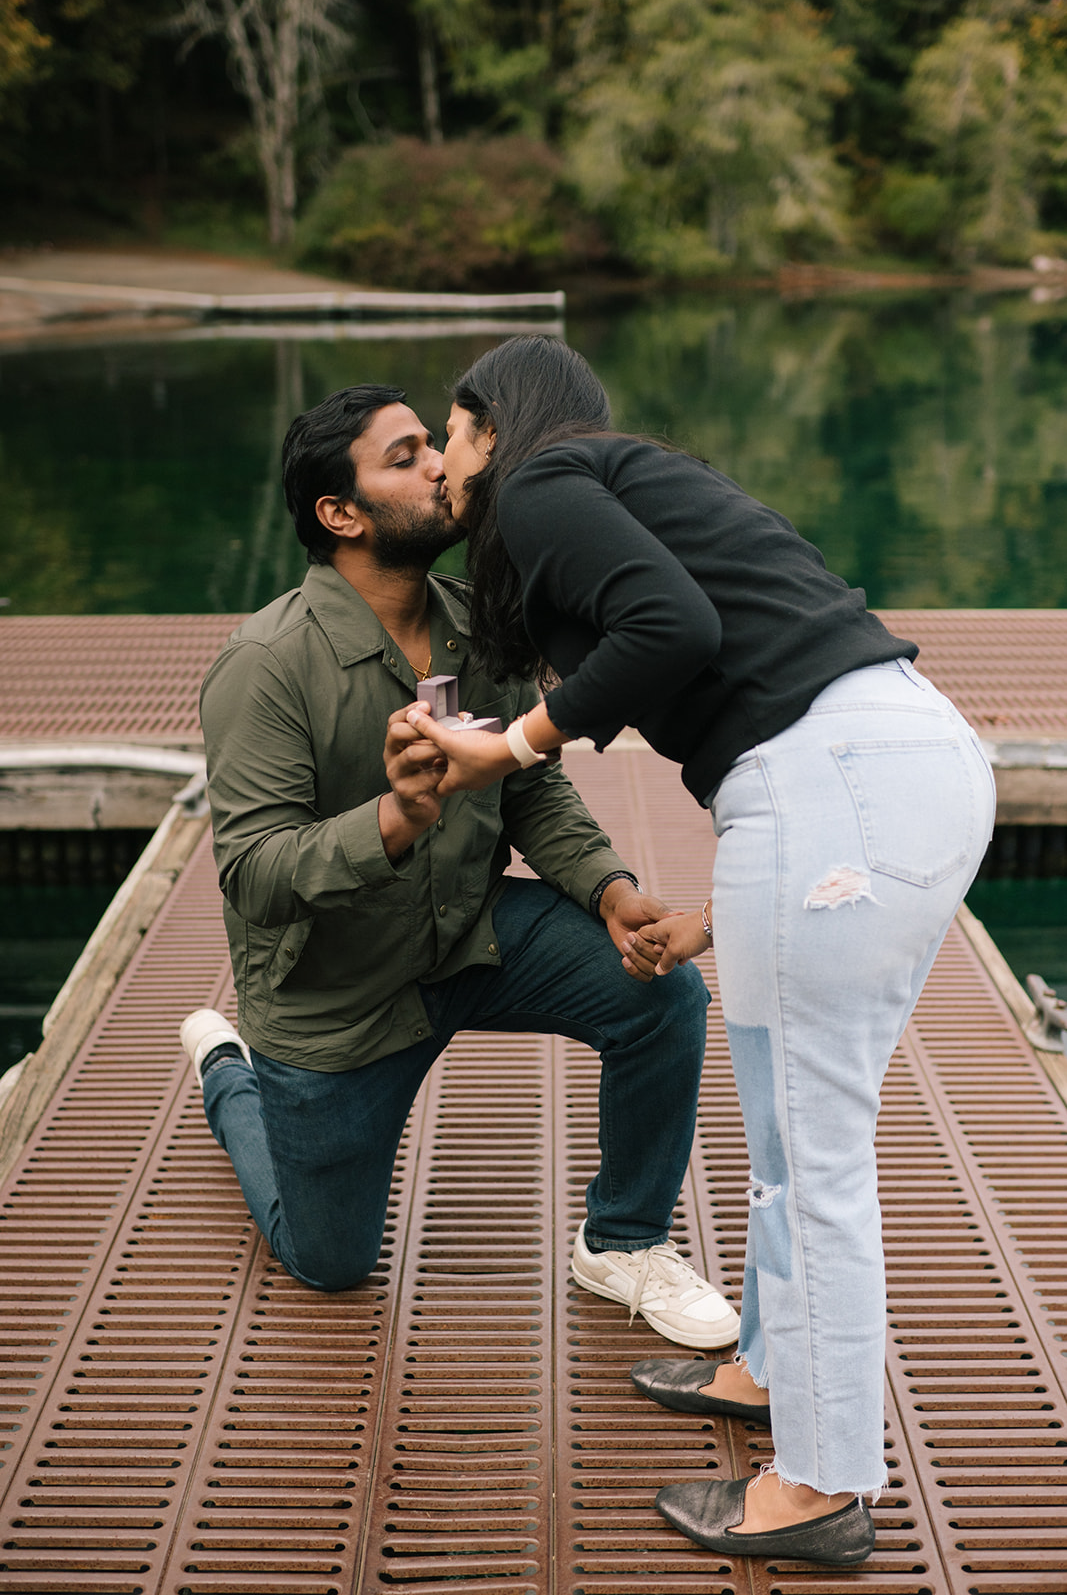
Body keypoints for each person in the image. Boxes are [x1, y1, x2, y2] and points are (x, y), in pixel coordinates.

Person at [406, 335, 997, 1567]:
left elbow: (670, 625)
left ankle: (820, 1488)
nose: (444, 466)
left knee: (815, 1157)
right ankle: (768, 1368)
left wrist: (510, 744)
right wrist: (728, 918)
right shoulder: (619, 482)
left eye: (449, 436)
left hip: (830, 780)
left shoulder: (541, 483)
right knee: (791, 1142)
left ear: (493, 426)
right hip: (883, 769)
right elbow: (721, 635)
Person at [180, 380, 742, 1354]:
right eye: (403, 457)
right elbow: (256, 875)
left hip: (472, 935)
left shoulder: (475, 620)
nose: (440, 463)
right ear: (339, 514)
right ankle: (229, 1070)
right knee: (329, 1261)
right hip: (336, 994)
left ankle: (623, 1240)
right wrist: (397, 817)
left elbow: (529, 790)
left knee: (663, 994)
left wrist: (607, 889)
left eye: (428, 446)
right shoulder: (264, 664)